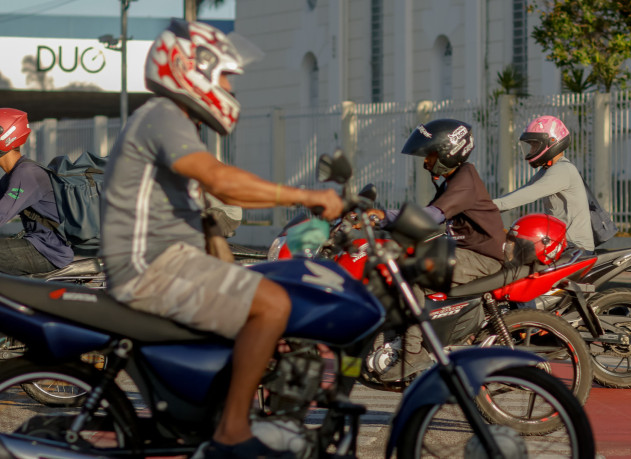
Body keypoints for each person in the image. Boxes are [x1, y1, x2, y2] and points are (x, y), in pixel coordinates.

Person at [100, 19, 343, 459]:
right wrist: (307, 195)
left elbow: (209, 226)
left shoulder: (175, 125)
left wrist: (239, 278)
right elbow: (223, 183)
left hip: (169, 261)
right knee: (274, 304)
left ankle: (221, 417)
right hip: (147, 267)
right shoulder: (163, 116)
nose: (230, 85)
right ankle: (232, 431)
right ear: (191, 70)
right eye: (226, 75)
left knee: (272, 301)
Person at [375, 118, 507, 380]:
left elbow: (430, 217)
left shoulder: (465, 180)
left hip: (482, 257)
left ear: (449, 153)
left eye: (431, 154)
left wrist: (381, 215)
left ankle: (413, 353)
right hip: (463, 250)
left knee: (413, 271)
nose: (426, 162)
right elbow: (424, 222)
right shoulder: (452, 180)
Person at [493, 115, 595, 253]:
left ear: (551, 142)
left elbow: (527, 194)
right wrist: (487, 206)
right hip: (560, 242)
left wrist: (485, 207)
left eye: (535, 145)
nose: (531, 151)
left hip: (575, 248)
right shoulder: (548, 170)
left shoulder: (562, 170)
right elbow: (519, 193)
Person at [0, 108, 73, 275]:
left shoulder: (26, 174)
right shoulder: (15, 173)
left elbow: (1, 213)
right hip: (38, 245)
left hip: (49, 252)